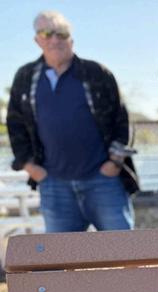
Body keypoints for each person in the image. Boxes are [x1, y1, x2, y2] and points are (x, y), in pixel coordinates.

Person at [7, 10, 135, 232]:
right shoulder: (25, 78)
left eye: (61, 33)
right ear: (37, 40)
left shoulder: (97, 73)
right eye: (46, 33)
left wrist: (114, 163)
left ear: (71, 39)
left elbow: (122, 119)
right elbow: (15, 125)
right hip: (54, 186)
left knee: (124, 249)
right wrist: (31, 167)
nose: (54, 39)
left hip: (104, 181)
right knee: (62, 253)